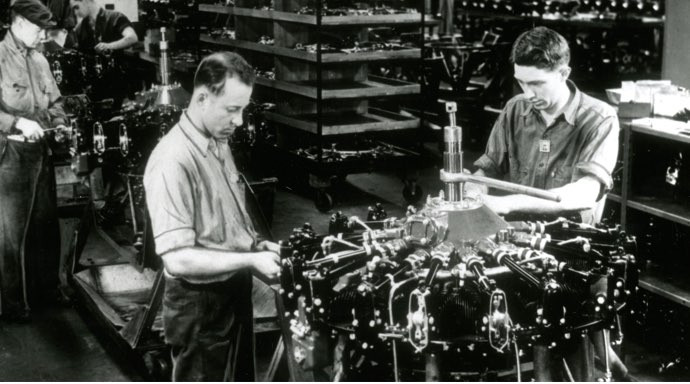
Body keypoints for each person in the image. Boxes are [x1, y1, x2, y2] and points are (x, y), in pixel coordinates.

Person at [463, 26, 628, 381]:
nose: (528, 92)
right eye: (522, 82)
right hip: (515, 247)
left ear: (564, 73)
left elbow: (583, 193)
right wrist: (468, 189)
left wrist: (504, 203)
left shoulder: (599, 118)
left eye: (538, 83)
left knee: (580, 363)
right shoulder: (514, 110)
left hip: (573, 256)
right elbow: (486, 168)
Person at [143, 52, 281, 381]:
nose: (240, 121)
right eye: (233, 109)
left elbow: (226, 216)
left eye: (243, 109)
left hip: (233, 291)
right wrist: (248, 261)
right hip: (199, 305)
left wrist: (257, 246)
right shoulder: (172, 160)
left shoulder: (217, 140)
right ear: (202, 98)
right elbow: (177, 260)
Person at [0, 0, 67, 322]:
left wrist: (60, 121)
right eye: (39, 29)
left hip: (41, 151)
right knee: (11, 234)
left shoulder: (40, 59)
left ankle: (47, 290)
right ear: (20, 23)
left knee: (46, 225)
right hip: (10, 154)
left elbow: (55, 101)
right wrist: (15, 123)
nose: (43, 35)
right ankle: (12, 304)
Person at [70, 0, 137, 54]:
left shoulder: (115, 17)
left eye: (76, 7)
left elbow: (132, 38)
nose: (75, 13)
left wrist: (109, 46)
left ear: (86, 1)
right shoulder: (80, 28)